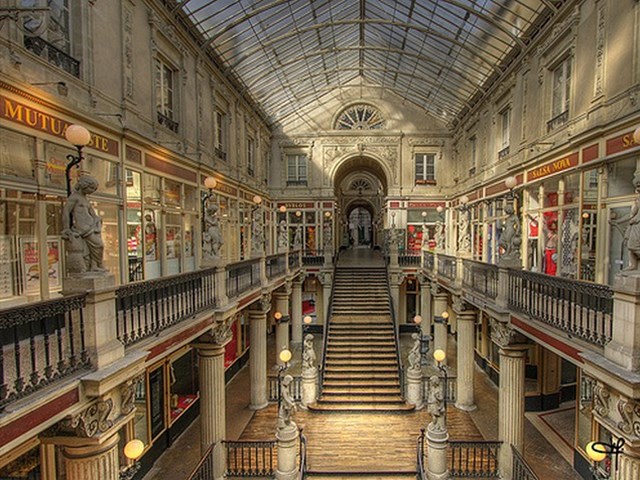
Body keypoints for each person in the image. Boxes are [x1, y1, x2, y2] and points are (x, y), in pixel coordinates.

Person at [61, 176, 105, 274]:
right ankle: (97, 264)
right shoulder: (74, 197)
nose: (92, 191)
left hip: (91, 225)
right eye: (91, 188)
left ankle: (94, 266)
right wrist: (66, 228)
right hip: (83, 227)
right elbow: (66, 212)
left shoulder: (85, 199)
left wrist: (97, 219)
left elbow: (92, 213)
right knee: (99, 245)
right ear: (84, 185)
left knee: (94, 247)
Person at [611, 173, 640, 272]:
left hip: (638, 225)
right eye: (637, 185)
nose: (638, 187)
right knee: (629, 245)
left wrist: (637, 219)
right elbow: (631, 214)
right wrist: (617, 221)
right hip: (634, 226)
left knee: (634, 246)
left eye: (639, 185)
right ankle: (633, 265)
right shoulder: (638, 199)